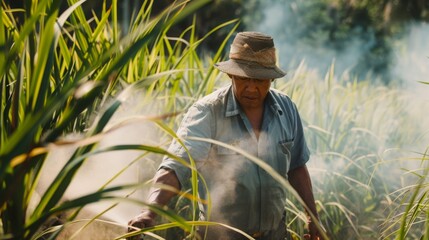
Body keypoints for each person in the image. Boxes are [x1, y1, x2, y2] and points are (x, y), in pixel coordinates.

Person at [127, 31, 323, 240]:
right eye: (243, 78)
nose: (251, 88)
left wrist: (313, 219)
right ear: (231, 75)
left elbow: (297, 167)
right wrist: (151, 210)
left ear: (271, 79)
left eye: (259, 80)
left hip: (274, 235)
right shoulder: (208, 112)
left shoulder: (286, 109)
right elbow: (177, 166)